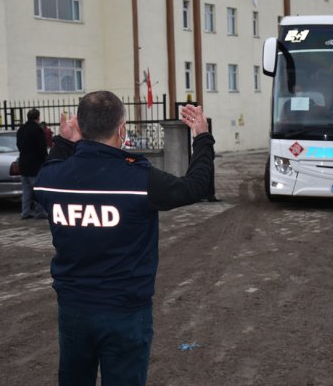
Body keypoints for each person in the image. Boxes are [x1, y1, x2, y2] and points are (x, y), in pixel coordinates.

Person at [34, 91, 215, 386]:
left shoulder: (53, 180)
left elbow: (49, 171)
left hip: (74, 309)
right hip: (125, 312)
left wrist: (64, 142)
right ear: (121, 130)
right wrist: (202, 136)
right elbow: (195, 186)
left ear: (80, 125)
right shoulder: (138, 179)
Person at [16, 108, 48, 219]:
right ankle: (40, 212)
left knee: (26, 190)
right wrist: (45, 159)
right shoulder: (37, 130)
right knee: (38, 189)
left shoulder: (21, 129)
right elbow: (42, 149)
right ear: (38, 118)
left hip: (23, 163)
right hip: (35, 165)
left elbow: (18, 145)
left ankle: (25, 212)